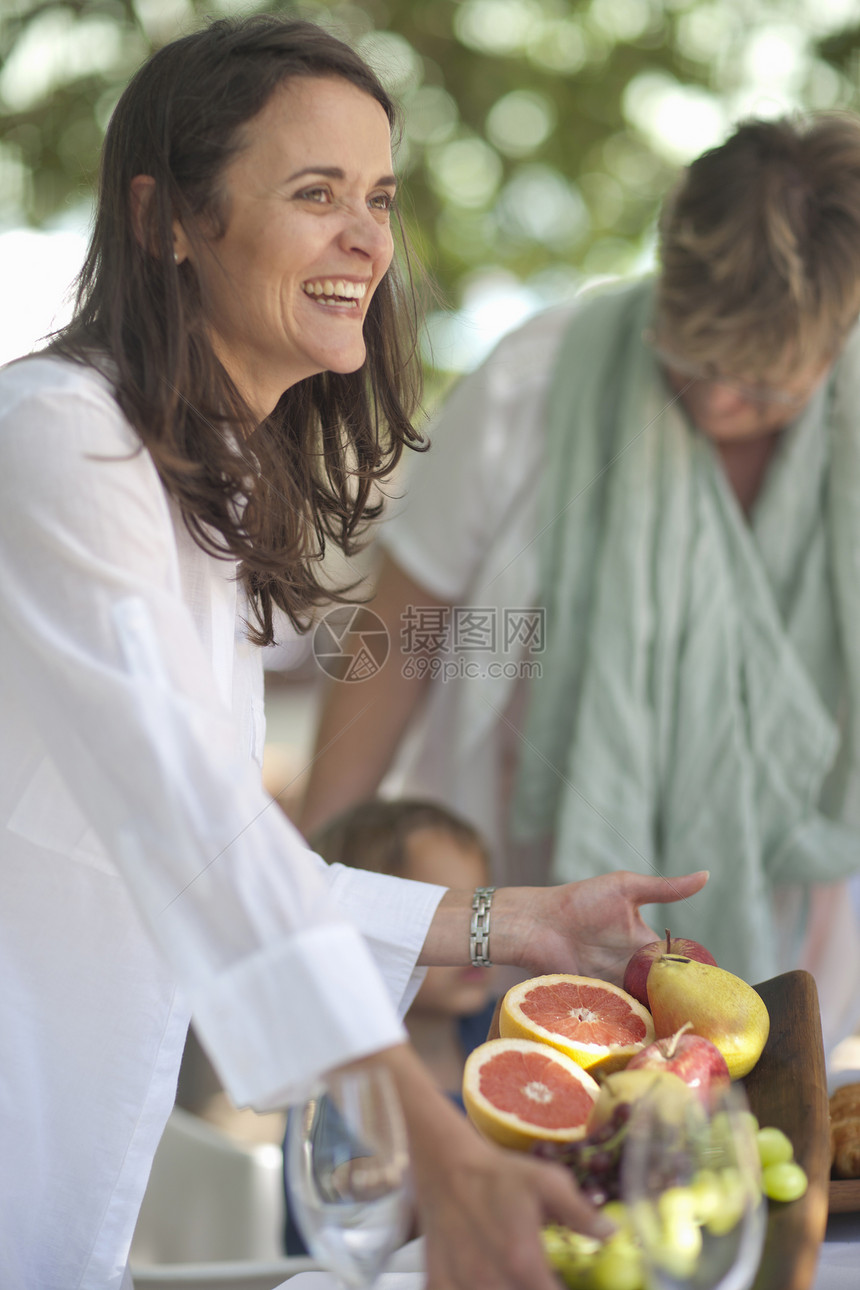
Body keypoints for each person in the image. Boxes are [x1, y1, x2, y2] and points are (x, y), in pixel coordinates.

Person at [0, 16, 709, 1290]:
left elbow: (241, 862)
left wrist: (522, 924)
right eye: (313, 193)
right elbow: (193, 828)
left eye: (377, 198)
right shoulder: (59, 444)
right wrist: (428, 1138)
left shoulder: (193, 492)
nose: (367, 240)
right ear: (167, 216)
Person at [299, 112, 860, 1054]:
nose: (719, 404)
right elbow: (395, 638)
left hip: (804, 925)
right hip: (517, 933)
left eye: (764, 390)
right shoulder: (533, 381)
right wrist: (312, 875)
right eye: (693, 362)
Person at [283, 798, 498, 1255]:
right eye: (445, 919)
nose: (477, 942)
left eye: (482, 911)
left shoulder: (497, 1025)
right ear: (374, 934)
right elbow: (344, 1193)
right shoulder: (339, 1077)